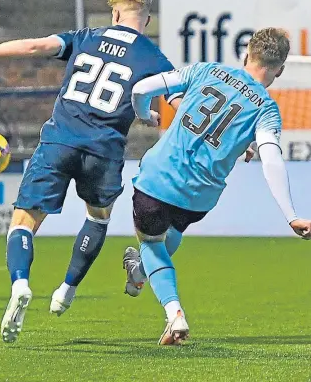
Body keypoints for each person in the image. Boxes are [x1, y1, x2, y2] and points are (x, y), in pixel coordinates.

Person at [0, 0, 182, 343]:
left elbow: (34, 46)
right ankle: (66, 290)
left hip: (59, 140)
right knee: (97, 218)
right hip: (104, 151)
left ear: (115, 13)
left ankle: (21, 283)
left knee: (22, 222)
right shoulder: (154, 58)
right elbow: (180, 104)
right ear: (145, 20)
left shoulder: (84, 37)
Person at [123, 27, 311, 345]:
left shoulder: (207, 70)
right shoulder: (266, 108)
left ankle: (174, 314)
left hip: (159, 179)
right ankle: (140, 272)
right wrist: (291, 214)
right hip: (199, 198)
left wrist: (145, 114)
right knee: (171, 233)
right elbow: (272, 160)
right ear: (279, 70)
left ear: (246, 54)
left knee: (151, 243)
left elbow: (142, 87)